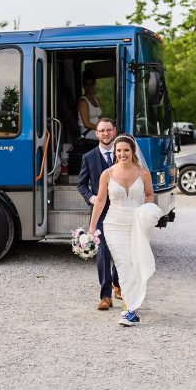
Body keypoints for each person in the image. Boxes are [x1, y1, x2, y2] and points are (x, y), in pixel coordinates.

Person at [87, 134, 163, 326]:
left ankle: (132, 305)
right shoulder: (107, 174)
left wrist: (146, 215)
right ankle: (131, 310)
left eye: (126, 150)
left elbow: (149, 195)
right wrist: (92, 227)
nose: (122, 154)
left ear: (133, 151)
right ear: (114, 152)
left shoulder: (143, 173)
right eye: (118, 150)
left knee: (135, 263)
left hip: (136, 225)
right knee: (123, 264)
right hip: (114, 225)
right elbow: (101, 201)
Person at [77, 118, 120, 310]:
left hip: (121, 211)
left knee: (121, 250)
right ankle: (105, 296)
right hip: (100, 212)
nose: (106, 133)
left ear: (114, 131)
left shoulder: (123, 154)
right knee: (103, 252)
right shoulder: (89, 157)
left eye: (109, 130)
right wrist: (90, 197)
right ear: (97, 134)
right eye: (102, 131)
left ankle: (117, 283)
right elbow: (81, 184)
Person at [77, 71, 102, 140]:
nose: (90, 87)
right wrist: (102, 129)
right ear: (83, 86)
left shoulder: (96, 99)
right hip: (87, 132)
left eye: (92, 84)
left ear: (94, 84)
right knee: (112, 137)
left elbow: (100, 117)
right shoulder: (83, 102)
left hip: (96, 129)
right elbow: (86, 124)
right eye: (87, 85)